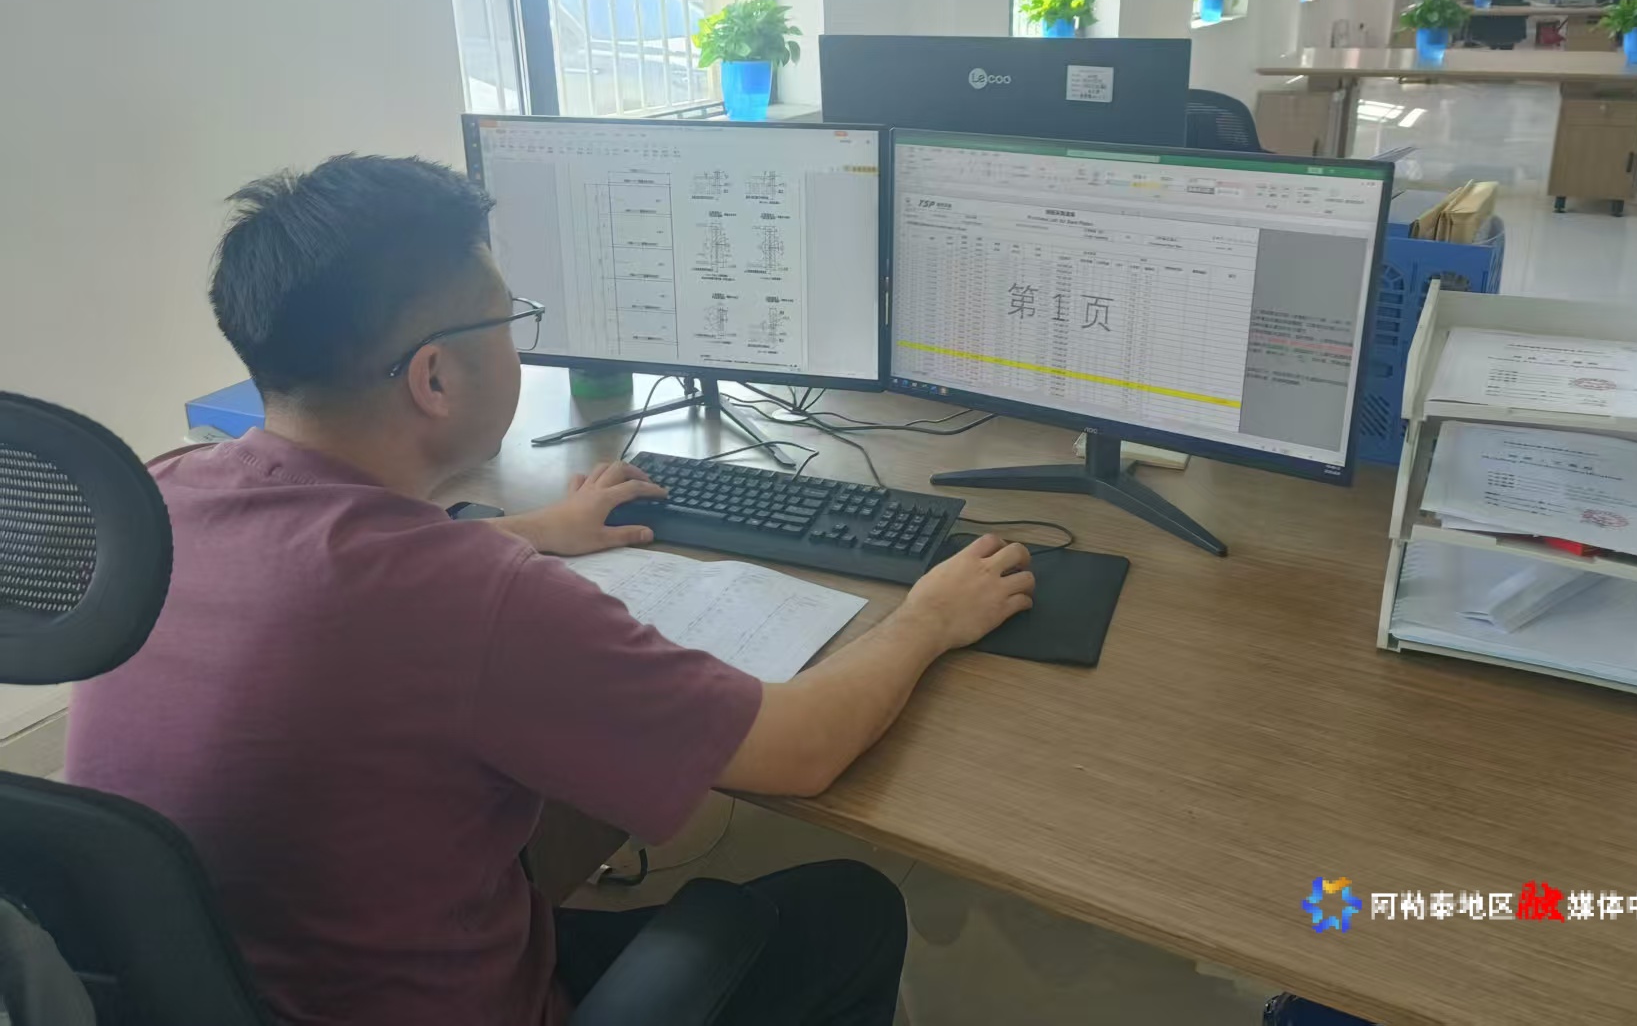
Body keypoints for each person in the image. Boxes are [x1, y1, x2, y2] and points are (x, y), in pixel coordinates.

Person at [66, 155, 1035, 1026]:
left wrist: (540, 528)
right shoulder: (467, 599)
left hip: (211, 986)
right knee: (850, 906)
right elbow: (800, 749)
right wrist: (928, 617)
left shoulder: (160, 496)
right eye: (509, 321)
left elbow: (338, 573)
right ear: (434, 377)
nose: (520, 349)